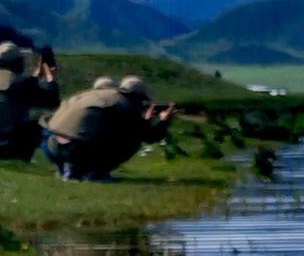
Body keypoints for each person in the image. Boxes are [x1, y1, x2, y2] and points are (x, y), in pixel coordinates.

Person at [41, 73, 174, 180]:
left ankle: (68, 170)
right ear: (138, 96)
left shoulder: (84, 96)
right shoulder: (125, 104)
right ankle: (94, 174)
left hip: (51, 145)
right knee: (131, 142)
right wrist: (163, 121)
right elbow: (148, 136)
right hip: (78, 149)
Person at [0, 34, 59, 164]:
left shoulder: (18, 82)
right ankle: (19, 158)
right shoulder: (20, 83)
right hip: (7, 143)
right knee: (44, 124)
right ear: (17, 62)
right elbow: (51, 101)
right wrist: (49, 73)